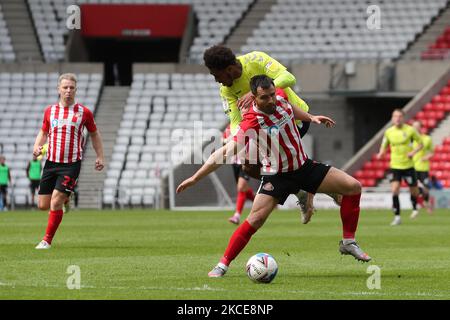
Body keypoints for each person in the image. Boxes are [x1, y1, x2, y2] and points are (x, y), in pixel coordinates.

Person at [177, 75, 371, 278]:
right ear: (254, 97)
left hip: (304, 167)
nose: (271, 100)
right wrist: (195, 178)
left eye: (272, 95)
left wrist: (310, 117)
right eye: (264, 98)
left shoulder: (280, 96)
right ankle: (222, 265)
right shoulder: (251, 122)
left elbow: (289, 108)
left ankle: (348, 242)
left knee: (353, 187)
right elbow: (224, 152)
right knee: (255, 219)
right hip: (276, 176)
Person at [203, 45, 340, 223]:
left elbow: (288, 78)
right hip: (266, 129)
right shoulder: (226, 90)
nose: (216, 81)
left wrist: (253, 95)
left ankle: (318, 188)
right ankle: (304, 190)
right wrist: (236, 140)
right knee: (249, 166)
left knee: (281, 167)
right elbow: (236, 121)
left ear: (228, 70)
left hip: (293, 119)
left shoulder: (256, 59)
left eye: (216, 75)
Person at [32, 73, 104, 249]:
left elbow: (94, 134)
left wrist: (100, 156)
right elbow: (44, 131)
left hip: (71, 164)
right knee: (43, 205)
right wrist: (37, 146)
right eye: (65, 87)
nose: (68, 91)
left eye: (71, 88)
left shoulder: (84, 112)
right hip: (51, 162)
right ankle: (66, 198)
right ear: (59, 89)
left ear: (76, 90)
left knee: (55, 202)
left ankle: (46, 240)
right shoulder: (50, 111)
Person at [377, 109, 423, 226]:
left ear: (403, 118)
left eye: (399, 116)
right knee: (394, 190)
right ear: (392, 118)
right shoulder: (388, 132)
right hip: (395, 166)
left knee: (414, 191)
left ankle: (415, 206)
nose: (397, 118)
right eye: (395, 116)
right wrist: (381, 153)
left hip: (408, 166)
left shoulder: (410, 130)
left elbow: (421, 143)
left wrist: (413, 152)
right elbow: (384, 145)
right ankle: (397, 217)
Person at [223, 124, 255, 224]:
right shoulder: (229, 127)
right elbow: (223, 141)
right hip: (234, 163)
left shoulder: (248, 124)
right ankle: (262, 201)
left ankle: (236, 216)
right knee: (244, 189)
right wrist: (228, 140)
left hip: (245, 161)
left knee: (241, 187)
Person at [411, 121, 434, 216]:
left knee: (425, 188)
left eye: (417, 127)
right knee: (414, 187)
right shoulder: (410, 139)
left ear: (421, 128)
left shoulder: (427, 139)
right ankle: (415, 209)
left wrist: (426, 157)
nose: (415, 128)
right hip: (412, 167)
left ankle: (425, 201)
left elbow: (431, 152)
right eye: (413, 127)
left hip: (424, 167)